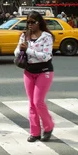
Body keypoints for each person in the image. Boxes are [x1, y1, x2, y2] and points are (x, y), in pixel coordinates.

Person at [14, 11, 55, 142]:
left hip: (44, 71)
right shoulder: (24, 35)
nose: (30, 25)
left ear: (39, 23)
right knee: (31, 103)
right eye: (28, 22)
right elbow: (16, 52)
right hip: (28, 71)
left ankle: (48, 127)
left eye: (33, 22)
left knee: (38, 102)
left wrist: (28, 50)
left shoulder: (46, 37)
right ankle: (35, 132)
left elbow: (46, 56)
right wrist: (20, 49)